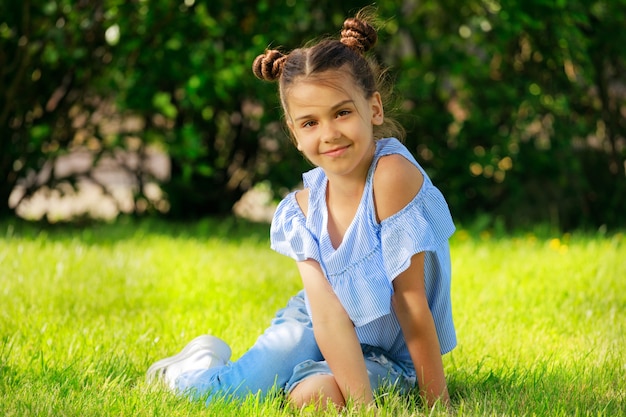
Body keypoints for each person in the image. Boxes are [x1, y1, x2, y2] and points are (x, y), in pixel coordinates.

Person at [146, 8, 456, 411]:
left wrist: (439, 404)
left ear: (374, 109)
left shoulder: (391, 175)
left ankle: (306, 376)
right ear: (294, 134)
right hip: (315, 324)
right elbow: (326, 318)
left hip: (385, 349)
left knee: (314, 399)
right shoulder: (302, 210)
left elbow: (411, 301)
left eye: (342, 112)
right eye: (309, 123)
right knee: (226, 394)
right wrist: (364, 409)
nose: (329, 134)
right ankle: (195, 367)